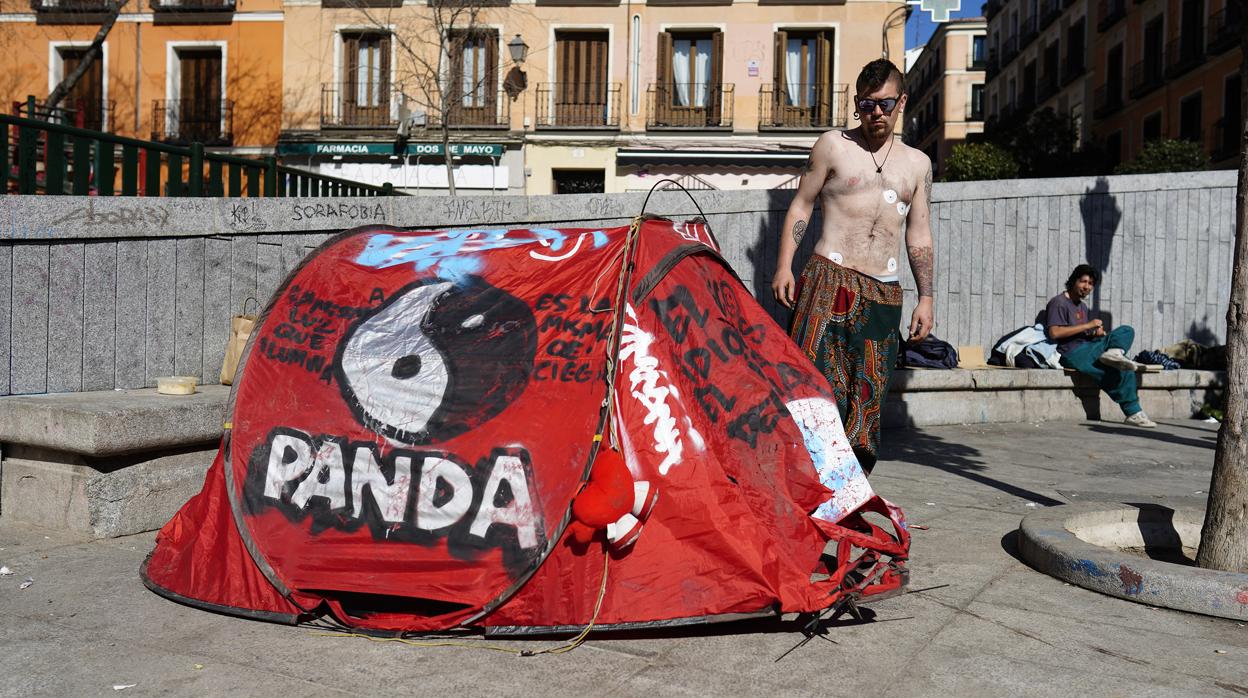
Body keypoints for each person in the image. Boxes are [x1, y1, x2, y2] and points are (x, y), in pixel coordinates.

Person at [771, 58, 935, 474]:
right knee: (812, 389)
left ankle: (847, 493)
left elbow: (918, 233)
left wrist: (926, 298)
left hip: (884, 292)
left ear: (902, 102)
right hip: (827, 279)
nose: (875, 113)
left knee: (868, 403)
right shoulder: (833, 145)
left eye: (884, 104)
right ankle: (803, 487)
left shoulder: (917, 164)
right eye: (865, 105)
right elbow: (802, 205)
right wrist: (784, 265)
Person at [1044, 264, 1156, 428]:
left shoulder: (1082, 306)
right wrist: (1088, 326)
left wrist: (1094, 333)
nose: (1087, 287)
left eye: (1090, 284)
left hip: (1088, 347)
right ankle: (1133, 411)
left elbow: (1081, 332)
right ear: (1074, 281)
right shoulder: (1059, 302)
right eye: (1083, 282)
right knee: (1122, 361)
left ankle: (1115, 355)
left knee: (1126, 338)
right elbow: (1055, 333)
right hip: (1072, 353)